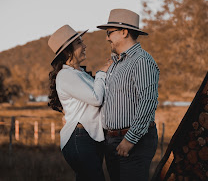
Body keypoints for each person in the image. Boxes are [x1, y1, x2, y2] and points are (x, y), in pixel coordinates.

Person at [97, 9, 160, 181]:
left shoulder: (141, 61)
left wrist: (130, 139)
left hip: (132, 141)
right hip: (112, 141)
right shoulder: (116, 64)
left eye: (109, 33)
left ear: (124, 32)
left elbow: (148, 101)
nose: (107, 37)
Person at [48, 24, 111, 181]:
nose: (84, 46)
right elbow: (96, 99)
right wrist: (102, 72)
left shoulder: (81, 73)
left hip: (90, 137)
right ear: (68, 51)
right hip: (79, 138)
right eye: (79, 43)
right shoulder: (65, 75)